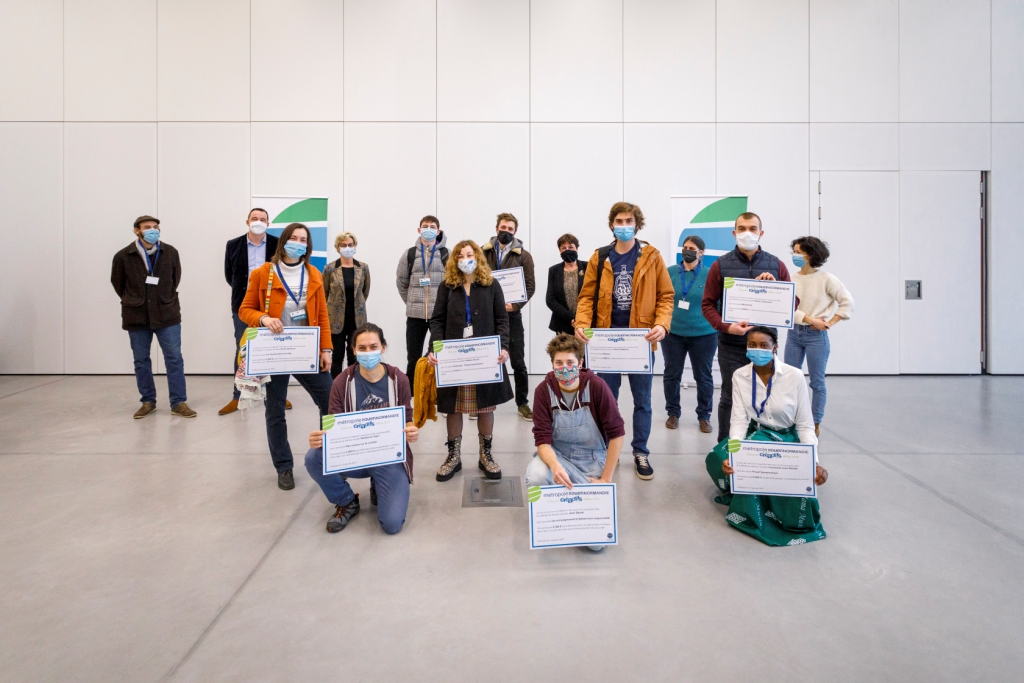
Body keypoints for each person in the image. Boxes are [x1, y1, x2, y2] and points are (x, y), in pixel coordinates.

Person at [574, 202, 674, 480]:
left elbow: (666, 296)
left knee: (643, 401)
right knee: (608, 400)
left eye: (629, 220)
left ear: (637, 224)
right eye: (619, 220)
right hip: (605, 341)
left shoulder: (652, 256)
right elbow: (585, 297)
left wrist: (662, 324)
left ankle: (640, 451)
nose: (624, 225)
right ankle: (609, 449)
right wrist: (582, 323)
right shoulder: (600, 257)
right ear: (612, 225)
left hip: (640, 341)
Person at [705, 326, 828, 546]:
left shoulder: (794, 376)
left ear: (775, 347)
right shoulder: (740, 375)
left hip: (787, 437)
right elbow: (739, 419)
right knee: (718, 458)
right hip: (757, 432)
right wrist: (734, 455)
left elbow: (805, 425)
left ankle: (769, 500)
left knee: (796, 498)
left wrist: (813, 463)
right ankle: (753, 494)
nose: (757, 349)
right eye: (752, 345)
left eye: (764, 345)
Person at [238, 222, 334, 491]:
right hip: (274, 351)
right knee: (275, 410)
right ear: (283, 242)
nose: (299, 243)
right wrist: (264, 318)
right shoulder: (263, 273)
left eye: (303, 239)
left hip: (306, 350)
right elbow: (244, 310)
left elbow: (323, 317)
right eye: (294, 238)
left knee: (330, 400)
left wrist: (326, 349)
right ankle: (284, 466)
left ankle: (328, 454)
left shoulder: (313, 273)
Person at [305, 323, 418, 534]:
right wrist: (321, 437)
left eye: (373, 346)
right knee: (314, 457)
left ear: (383, 347)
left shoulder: (399, 379)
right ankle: (347, 501)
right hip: (354, 455)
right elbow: (334, 424)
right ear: (354, 350)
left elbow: (407, 418)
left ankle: (379, 482)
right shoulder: (341, 382)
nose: (368, 352)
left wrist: (411, 429)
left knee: (392, 525)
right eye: (362, 348)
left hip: (388, 457)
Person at [701, 212, 794, 443]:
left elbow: (793, 304)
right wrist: (726, 326)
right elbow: (708, 304)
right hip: (732, 345)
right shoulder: (720, 265)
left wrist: (776, 289)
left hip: (765, 346)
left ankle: (758, 444)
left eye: (753, 228)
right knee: (730, 397)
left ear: (761, 233)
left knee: (766, 395)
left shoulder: (776, 265)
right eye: (741, 228)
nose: (747, 233)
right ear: (734, 233)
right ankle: (725, 449)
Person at [427, 240, 513, 482]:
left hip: (484, 356)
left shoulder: (491, 284)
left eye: (469, 254)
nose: (466, 259)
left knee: (485, 406)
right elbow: (436, 321)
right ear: (455, 261)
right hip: (454, 357)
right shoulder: (447, 286)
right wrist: (436, 347)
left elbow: (502, 320)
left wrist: (504, 347)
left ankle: (485, 454)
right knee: (453, 406)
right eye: (461, 256)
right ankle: (453, 456)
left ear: (477, 257)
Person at [110, 215, 196, 419]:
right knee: (141, 360)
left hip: (167, 313)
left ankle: (178, 402)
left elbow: (176, 279)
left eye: (156, 227)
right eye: (147, 227)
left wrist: (163, 298)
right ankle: (148, 401)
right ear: (136, 231)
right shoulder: (123, 256)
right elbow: (118, 284)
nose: (153, 230)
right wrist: (135, 299)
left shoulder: (170, 252)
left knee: (174, 358)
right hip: (137, 315)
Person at [785, 236, 854, 435]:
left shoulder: (826, 279)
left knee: (817, 382)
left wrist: (830, 323)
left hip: (816, 337)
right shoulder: (791, 278)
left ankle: (815, 423)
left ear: (811, 255)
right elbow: (786, 308)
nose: (795, 255)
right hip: (794, 334)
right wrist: (809, 318)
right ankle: (791, 419)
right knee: (790, 379)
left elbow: (847, 302)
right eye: (794, 251)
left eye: (799, 252)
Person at [220, 208, 280, 415]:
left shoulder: (277, 244)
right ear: (247, 222)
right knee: (242, 348)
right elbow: (230, 276)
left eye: (262, 219)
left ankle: (277, 396)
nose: (258, 222)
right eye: (255, 218)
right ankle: (238, 397)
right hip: (243, 305)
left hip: (271, 307)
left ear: (268, 223)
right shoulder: (233, 245)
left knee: (274, 350)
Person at [481, 212, 536, 421]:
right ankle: (483, 402)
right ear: (496, 229)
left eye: (510, 229)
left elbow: (530, 286)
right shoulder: (482, 252)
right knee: (485, 357)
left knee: (518, 361)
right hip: (486, 315)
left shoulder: (523, 256)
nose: (506, 232)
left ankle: (522, 403)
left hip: (512, 315)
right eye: (503, 227)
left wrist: (515, 305)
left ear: (515, 232)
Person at [662, 235, 717, 433]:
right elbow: (662, 298)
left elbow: (717, 304)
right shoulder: (669, 272)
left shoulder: (710, 274)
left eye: (692, 248)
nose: (687, 250)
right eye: (685, 247)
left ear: (701, 253)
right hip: (673, 333)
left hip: (703, 334)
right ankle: (673, 413)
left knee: (703, 376)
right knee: (671, 374)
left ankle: (704, 416)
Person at [397, 216, 449, 394]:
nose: (429, 229)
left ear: (438, 231)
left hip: (439, 317)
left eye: (432, 226)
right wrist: (411, 301)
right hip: (415, 315)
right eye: (425, 226)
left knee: (438, 356)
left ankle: (439, 393)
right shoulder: (409, 254)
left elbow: (451, 283)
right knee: (413, 357)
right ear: (419, 230)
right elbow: (402, 282)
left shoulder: (446, 254)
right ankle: (411, 395)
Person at [323, 232, 371, 377]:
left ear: (355, 246)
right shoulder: (330, 268)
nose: (347, 248)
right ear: (338, 248)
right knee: (337, 356)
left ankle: (354, 384)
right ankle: (335, 388)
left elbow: (365, 292)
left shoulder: (363, 268)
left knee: (355, 355)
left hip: (357, 319)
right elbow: (324, 293)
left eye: (350, 245)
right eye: (343, 245)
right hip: (335, 320)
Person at [545, 233, 587, 336]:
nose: (567, 250)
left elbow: (592, 295)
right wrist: (571, 318)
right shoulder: (554, 270)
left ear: (577, 248)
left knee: (586, 352)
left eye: (571, 247)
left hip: (586, 323)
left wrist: (580, 319)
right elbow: (550, 299)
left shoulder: (588, 267)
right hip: (562, 323)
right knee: (565, 352)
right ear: (559, 250)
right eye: (563, 248)